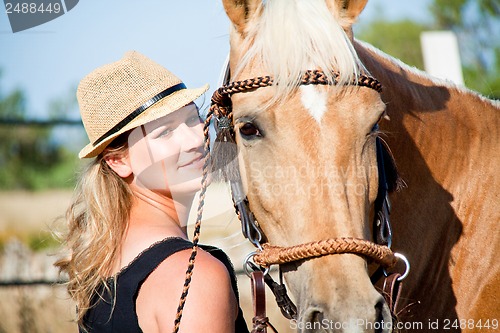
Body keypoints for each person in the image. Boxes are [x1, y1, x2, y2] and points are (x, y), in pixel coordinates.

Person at [54, 51, 249, 333]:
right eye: (165, 132)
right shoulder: (193, 276)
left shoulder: (106, 263)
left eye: (193, 119)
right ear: (118, 161)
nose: (195, 139)